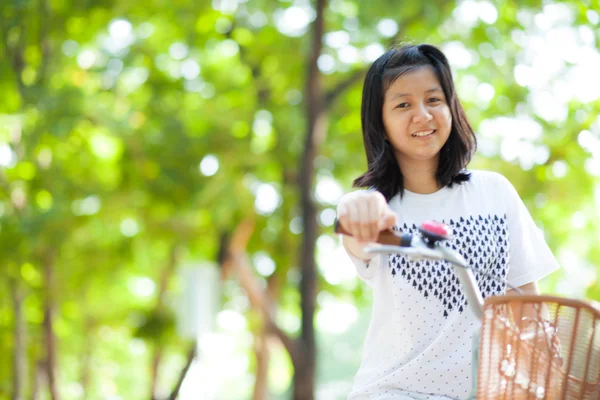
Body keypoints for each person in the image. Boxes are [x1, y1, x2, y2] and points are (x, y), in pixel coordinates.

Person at [336, 43, 560, 400]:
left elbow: (528, 309)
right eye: (403, 104)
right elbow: (355, 226)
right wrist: (356, 211)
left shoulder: (495, 192)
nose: (423, 115)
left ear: (451, 107)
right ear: (380, 119)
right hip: (395, 392)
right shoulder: (376, 205)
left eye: (434, 100)